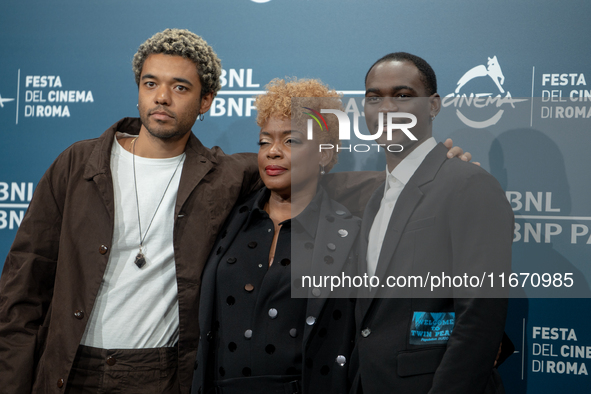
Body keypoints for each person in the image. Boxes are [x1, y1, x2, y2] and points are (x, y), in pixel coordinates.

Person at [0, 29, 261, 393]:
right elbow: (23, 286)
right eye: (150, 83)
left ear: (206, 101)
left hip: (159, 374)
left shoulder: (224, 176)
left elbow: (298, 156)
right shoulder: (78, 164)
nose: (162, 97)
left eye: (180, 88)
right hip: (69, 367)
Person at [348, 53, 514, 394]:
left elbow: (479, 319)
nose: (386, 109)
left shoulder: (469, 184)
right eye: (374, 97)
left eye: (403, 95)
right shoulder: (375, 199)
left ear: (434, 106)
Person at [192, 78, 358, 394]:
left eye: (291, 141)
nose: (273, 152)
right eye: (264, 141)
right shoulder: (230, 217)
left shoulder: (352, 233)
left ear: (324, 154)